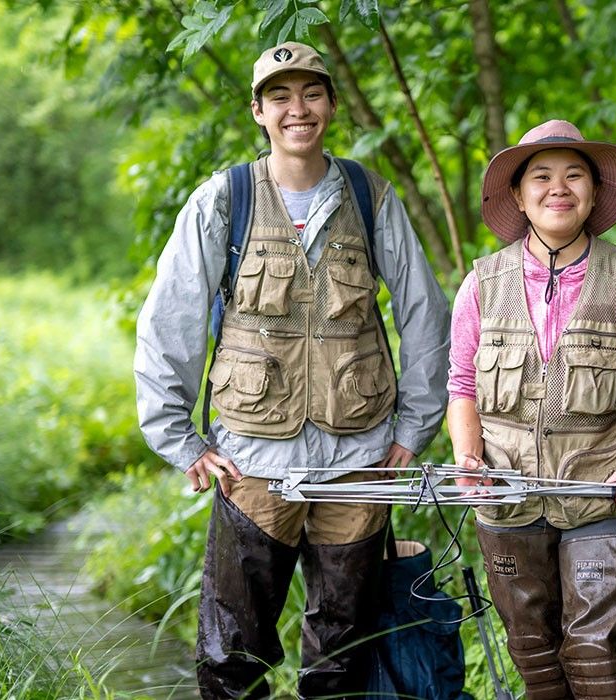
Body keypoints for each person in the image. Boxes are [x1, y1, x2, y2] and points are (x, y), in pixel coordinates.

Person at [133, 41, 450, 698]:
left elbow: (425, 313)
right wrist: (180, 439)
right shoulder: (226, 199)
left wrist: (413, 429)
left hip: (360, 464)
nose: (296, 109)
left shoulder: (370, 196)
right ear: (258, 110)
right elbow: (172, 320)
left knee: (344, 657)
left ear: (331, 104)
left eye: (310, 93)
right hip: (251, 464)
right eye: (280, 95)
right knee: (230, 656)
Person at [446, 119, 616, 699]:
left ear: (594, 193)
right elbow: (463, 386)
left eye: (574, 175)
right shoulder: (481, 283)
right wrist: (468, 458)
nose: (558, 188)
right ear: (519, 197)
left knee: (599, 660)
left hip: (601, 498)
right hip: (507, 499)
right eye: (541, 176)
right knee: (536, 661)